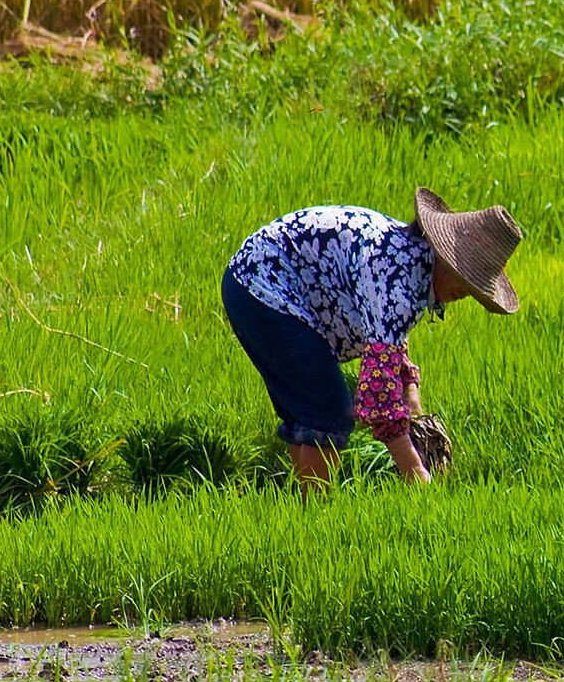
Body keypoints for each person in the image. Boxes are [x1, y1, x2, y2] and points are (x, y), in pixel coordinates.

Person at [220, 188, 522, 488]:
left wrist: (410, 393)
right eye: (466, 279)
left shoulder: (412, 258)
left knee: (312, 411)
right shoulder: (399, 279)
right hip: (262, 286)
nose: (466, 293)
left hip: (254, 282)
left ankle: (305, 511)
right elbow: (378, 399)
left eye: (476, 287)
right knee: (329, 411)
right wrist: (416, 473)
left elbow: (387, 336)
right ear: (445, 258)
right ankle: (313, 513)